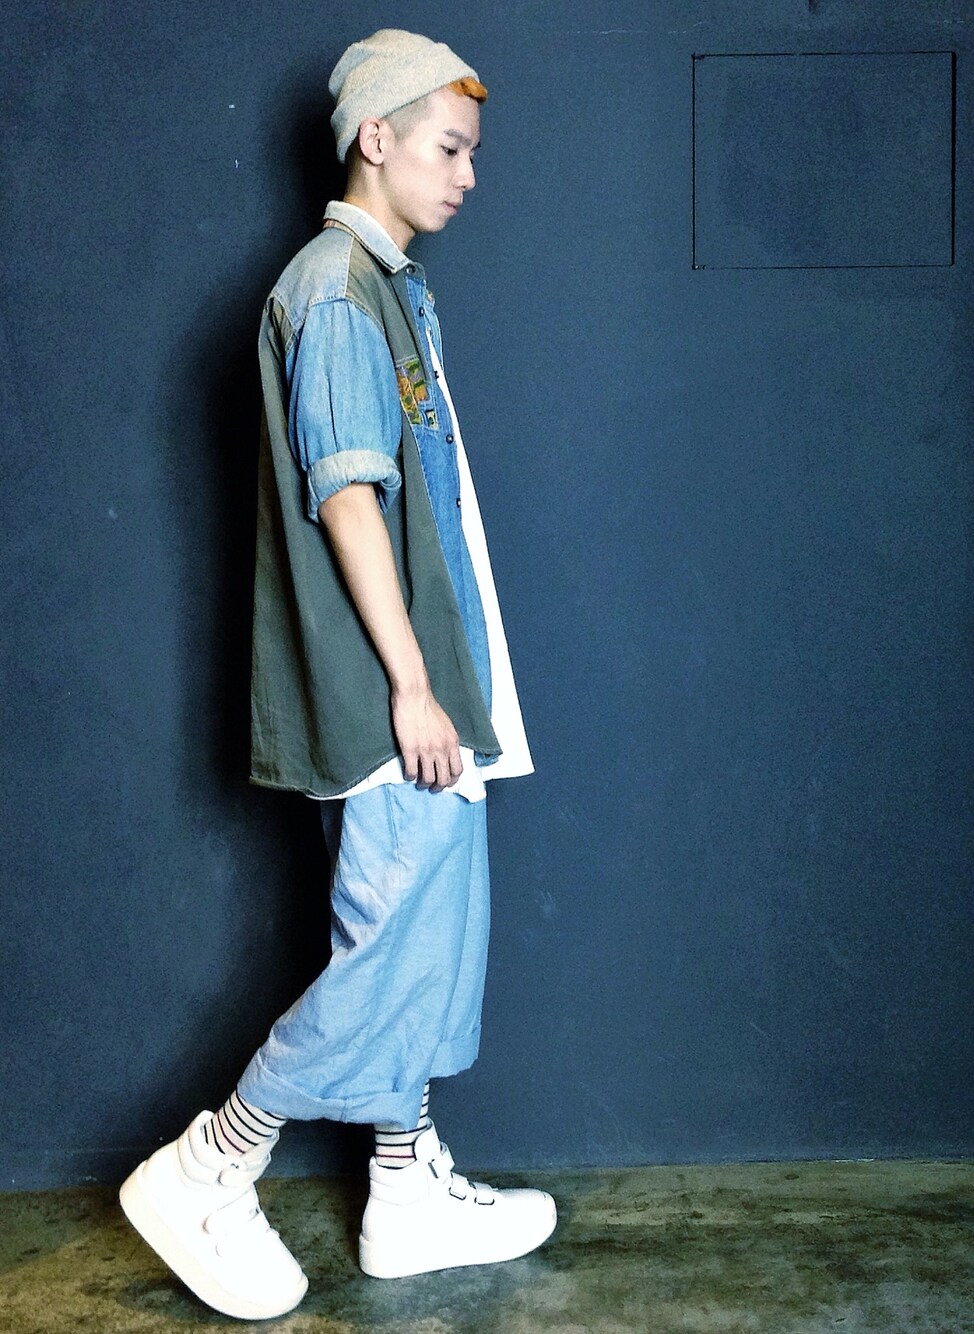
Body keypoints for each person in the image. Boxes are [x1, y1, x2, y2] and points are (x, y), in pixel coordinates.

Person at [118, 29, 556, 1321]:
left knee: (419, 939)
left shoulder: (389, 287)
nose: (468, 174)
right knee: (393, 952)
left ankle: (406, 1191)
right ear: (377, 136)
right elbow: (348, 497)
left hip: (427, 689)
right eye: (450, 148)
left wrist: (445, 684)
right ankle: (211, 1166)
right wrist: (412, 685)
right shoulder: (331, 290)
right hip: (384, 699)